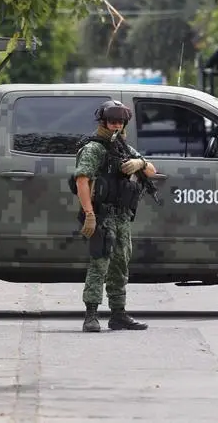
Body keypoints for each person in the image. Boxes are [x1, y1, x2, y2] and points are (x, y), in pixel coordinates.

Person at [70, 100, 157, 333]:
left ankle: (118, 314)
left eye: (120, 121)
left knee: (120, 265)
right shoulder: (94, 148)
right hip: (102, 215)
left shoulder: (123, 148)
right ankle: (91, 315)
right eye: (112, 121)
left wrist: (140, 163)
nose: (116, 125)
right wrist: (89, 214)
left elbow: (152, 171)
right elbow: (82, 180)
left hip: (121, 218)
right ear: (103, 122)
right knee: (99, 263)